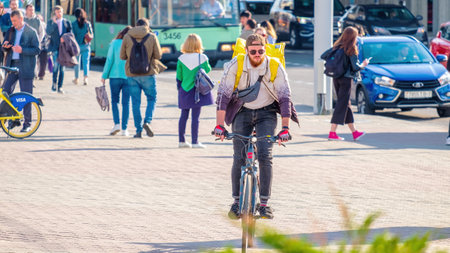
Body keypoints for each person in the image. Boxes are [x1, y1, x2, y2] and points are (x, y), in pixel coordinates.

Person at [214, 34, 294, 219]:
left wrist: (285, 128)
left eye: (261, 51)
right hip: (242, 111)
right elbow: (223, 95)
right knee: (239, 157)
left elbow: (284, 97)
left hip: (267, 113)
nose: (257, 54)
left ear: (265, 49)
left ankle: (264, 204)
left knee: (265, 155)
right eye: (253, 51)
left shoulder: (274, 65)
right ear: (247, 51)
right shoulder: (237, 64)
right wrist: (219, 125)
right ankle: (236, 202)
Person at [120, 18, 166, 138]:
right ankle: (147, 121)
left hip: (132, 75)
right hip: (148, 74)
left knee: (135, 102)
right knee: (151, 98)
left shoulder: (127, 36)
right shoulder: (152, 36)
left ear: (136, 26)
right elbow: (158, 55)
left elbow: (122, 56)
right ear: (147, 26)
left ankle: (138, 130)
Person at [321, 27, 368, 141]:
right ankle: (332, 132)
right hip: (346, 79)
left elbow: (323, 56)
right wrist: (364, 64)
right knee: (342, 104)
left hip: (336, 77)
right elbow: (355, 67)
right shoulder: (351, 49)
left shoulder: (337, 47)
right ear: (353, 37)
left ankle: (355, 132)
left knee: (346, 104)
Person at [1, 10, 39, 132]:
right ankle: (11, 119)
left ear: (21, 19)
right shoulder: (11, 31)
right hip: (12, 66)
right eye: (12, 21)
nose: (13, 23)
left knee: (26, 95)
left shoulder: (31, 32)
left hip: (26, 67)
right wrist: (5, 46)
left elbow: (37, 50)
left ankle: (27, 124)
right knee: (5, 92)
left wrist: (22, 50)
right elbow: (5, 46)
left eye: (15, 21)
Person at [176, 34, 214, 149]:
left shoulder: (181, 59)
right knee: (195, 117)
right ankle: (194, 141)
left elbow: (179, 77)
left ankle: (181, 141)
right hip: (198, 90)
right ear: (198, 44)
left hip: (185, 89)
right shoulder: (202, 57)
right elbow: (208, 70)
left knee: (183, 115)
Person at [101, 26, 131, 136]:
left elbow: (109, 60)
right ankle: (125, 129)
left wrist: (104, 76)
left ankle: (117, 124)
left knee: (115, 101)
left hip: (114, 77)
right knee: (126, 103)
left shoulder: (114, 43)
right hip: (128, 77)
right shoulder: (132, 44)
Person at [46, 5, 72, 93]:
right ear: (54, 13)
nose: (59, 14)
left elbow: (71, 34)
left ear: (62, 12)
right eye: (57, 12)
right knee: (56, 67)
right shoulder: (50, 22)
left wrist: (65, 38)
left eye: (60, 12)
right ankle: (54, 83)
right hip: (55, 48)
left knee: (62, 68)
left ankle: (60, 86)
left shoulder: (67, 22)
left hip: (64, 49)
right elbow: (48, 32)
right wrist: (54, 23)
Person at [72, 8, 92, 86]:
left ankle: (76, 78)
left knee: (76, 63)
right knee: (86, 62)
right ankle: (85, 78)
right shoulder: (87, 24)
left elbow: (72, 36)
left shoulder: (73, 24)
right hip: (86, 45)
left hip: (77, 46)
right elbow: (91, 34)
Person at [23, 4, 44, 78]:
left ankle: (33, 75)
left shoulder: (37, 20)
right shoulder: (22, 20)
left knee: (33, 60)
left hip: (34, 45)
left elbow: (42, 32)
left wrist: (38, 41)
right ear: (26, 10)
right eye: (30, 10)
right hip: (24, 44)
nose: (32, 11)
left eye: (33, 10)